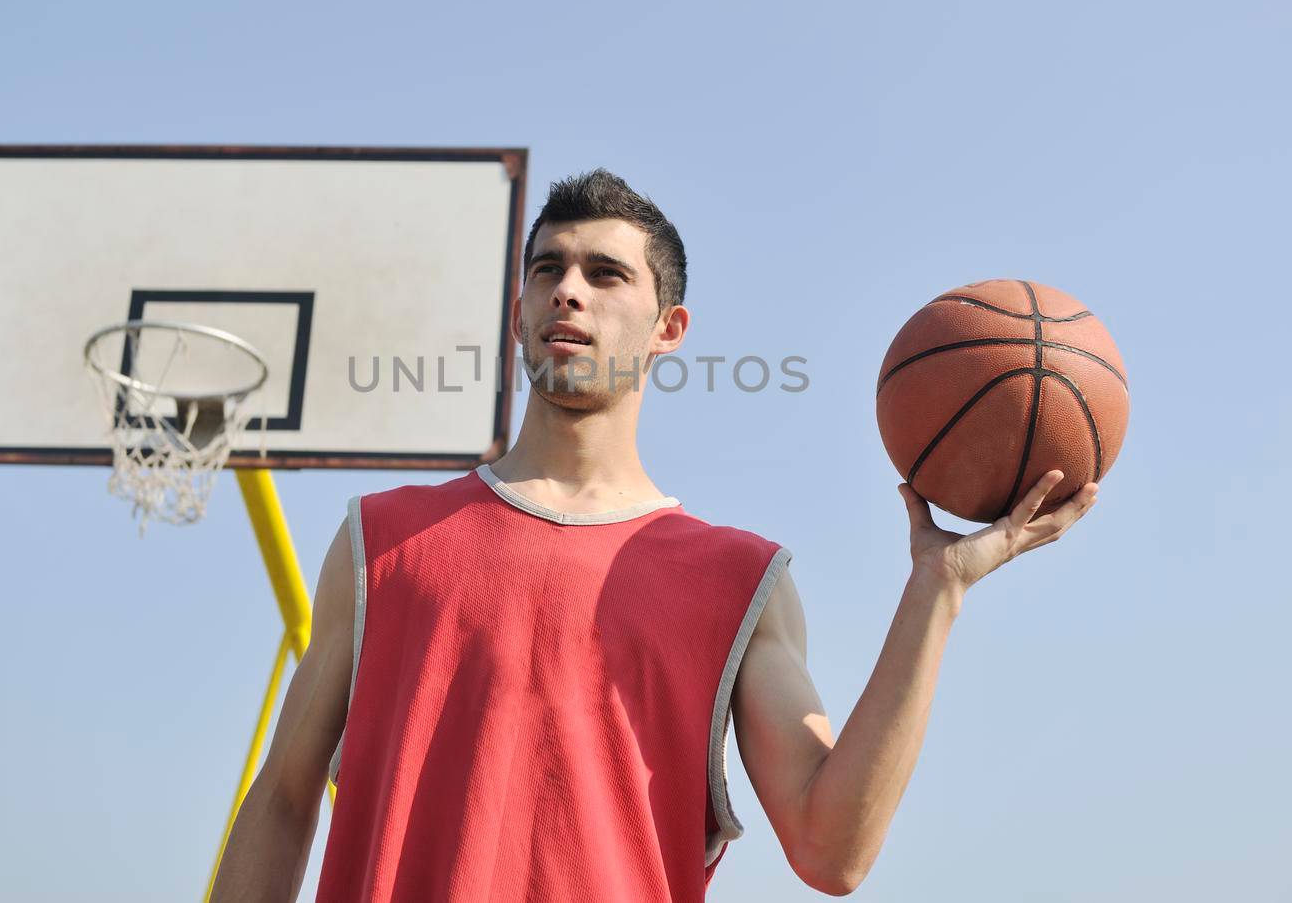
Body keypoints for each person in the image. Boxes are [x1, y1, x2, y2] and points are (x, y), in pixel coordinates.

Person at [210, 169, 1098, 901]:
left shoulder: (738, 578)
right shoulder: (382, 539)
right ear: (518, 311)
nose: (568, 288)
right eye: (547, 268)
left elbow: (834, 850)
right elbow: (287, 797)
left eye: (606, 273)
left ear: (668, 328)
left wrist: (936, 590)